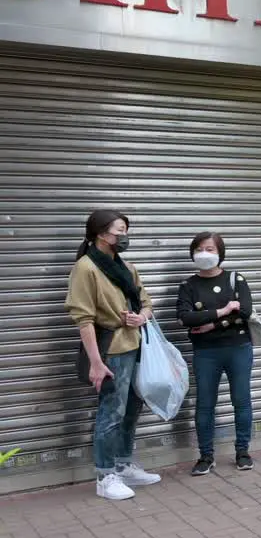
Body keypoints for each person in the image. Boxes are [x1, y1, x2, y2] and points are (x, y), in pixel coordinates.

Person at [66, 210, 162, 501]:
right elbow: (84, 319)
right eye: (119, 231)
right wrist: (96, 363)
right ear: (100, 233)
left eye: (125, 230)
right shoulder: (85, 268)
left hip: (136, 345)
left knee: (133, 408)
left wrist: (141, 317)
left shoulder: (127, 267)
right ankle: (105, 476)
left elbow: (146, 303)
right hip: (110, 350)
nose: (124, 236)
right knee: (111, 412)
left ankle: (123, 464)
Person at [176, 233, 256, 475]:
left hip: (238, 347)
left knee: (241, 400)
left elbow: (245, 311)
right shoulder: (188, 286)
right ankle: (206, 455)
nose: (204, 253)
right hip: (206, 352)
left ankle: (242, 451)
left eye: (210, 249)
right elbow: (185, 317)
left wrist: (212, 324)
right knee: (204, 404)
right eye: (199, 249)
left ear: (220, 253)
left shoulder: (235, 278)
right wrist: (222, 311)